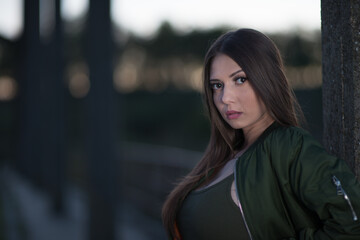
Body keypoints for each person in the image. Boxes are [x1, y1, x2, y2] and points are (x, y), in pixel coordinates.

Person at [161, 28, 360, 239]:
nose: (225, 98)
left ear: (267, 79)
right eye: (217, 86)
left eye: (240, 80)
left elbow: (351, 224)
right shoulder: (220, 158)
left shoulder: (289, 146)